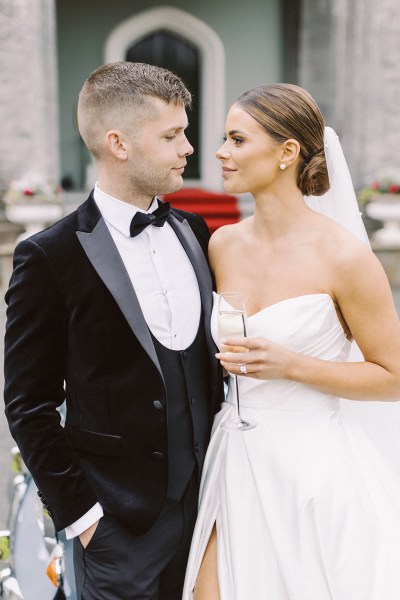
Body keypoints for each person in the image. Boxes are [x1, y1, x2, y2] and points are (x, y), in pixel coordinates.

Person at [3, 62, 223, 600]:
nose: (188, 148)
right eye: (172, 135)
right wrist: (83, 519)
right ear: (118, 143)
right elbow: (28, 404)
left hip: (211, 512)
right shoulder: (48, 255)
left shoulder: (195, 232)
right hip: (116, 528)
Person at [182, 83, 400, 599]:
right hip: (233, 458)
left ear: (287, 152)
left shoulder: (343, 256)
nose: (220, 152)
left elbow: (393, 376)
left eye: (237, 139)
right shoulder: (222, 244)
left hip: (314, 473)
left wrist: (293, 366)